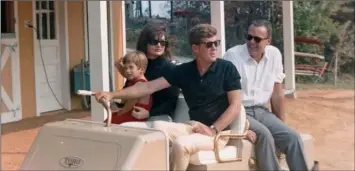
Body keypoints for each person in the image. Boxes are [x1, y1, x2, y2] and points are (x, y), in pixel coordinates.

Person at [94, 24, 256, 171]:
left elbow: (235, 106)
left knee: (180, 145)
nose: (214, 48)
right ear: (195, 48)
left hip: (218, 134)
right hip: (192, 126)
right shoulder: (184, 70)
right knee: (147, 127)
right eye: (208, 44)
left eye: (216, 43)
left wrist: (213, 129)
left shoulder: (227, 68)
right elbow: (147, 87)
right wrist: (111, 95)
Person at [223, 20, 310, 171]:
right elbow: (223, 96)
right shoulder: (233, 55)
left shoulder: (275, 54)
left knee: (293, 138)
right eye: (249, 37)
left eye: (257, 39)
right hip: (239, 110)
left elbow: (277, 94)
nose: (251, 42)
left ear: (268, 41)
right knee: (265, 136)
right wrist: (240, 126)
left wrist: (281, 123)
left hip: (262, 111)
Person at [115, 24, 180, 122]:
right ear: (145, 43)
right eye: (154, 42)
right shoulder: (137, 66)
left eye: (162, 42)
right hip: (134, 112)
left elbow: (171, 103)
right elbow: (128, 96)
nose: (159, 45)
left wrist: (149, 113)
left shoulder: (170, 69)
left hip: (159, 116)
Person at [104, 51, 152, 124]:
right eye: (125, 68)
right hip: (131, 115)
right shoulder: (134, 81)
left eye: (131, 67)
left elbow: (128, 106)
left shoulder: (140, 84)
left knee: (108, 121)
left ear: (141, 69)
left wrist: (119, 113)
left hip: (135, 118)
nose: (127, 71)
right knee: (108, 119)